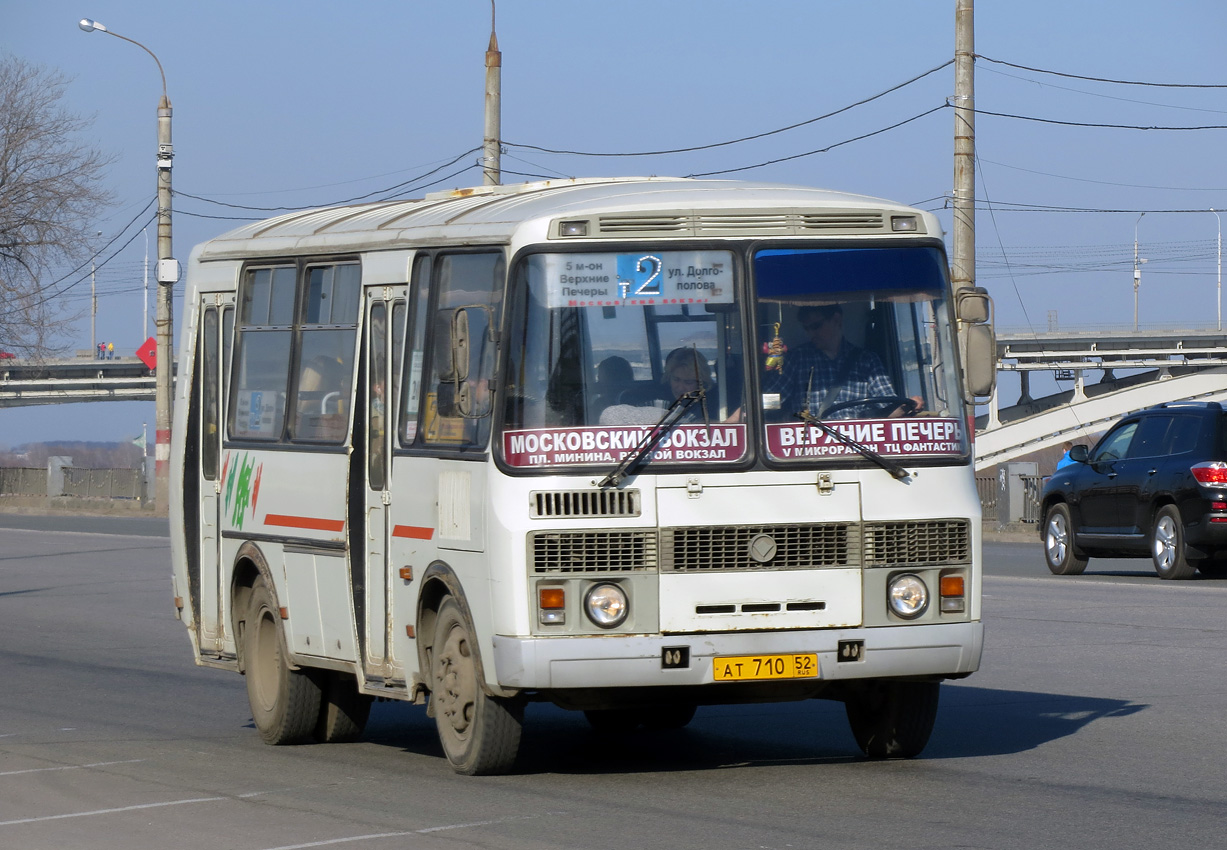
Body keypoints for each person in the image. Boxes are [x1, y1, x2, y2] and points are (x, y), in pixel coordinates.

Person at [764, 304, 918, 420]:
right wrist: (745, 413)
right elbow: (771, 399)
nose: (811, 333)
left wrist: (907, 405)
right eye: (807, 328)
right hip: (808, 446)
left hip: (855, 446)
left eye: (816, 326)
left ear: (837, 320)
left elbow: (889, 405)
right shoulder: (796, 358)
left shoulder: (867, 361)